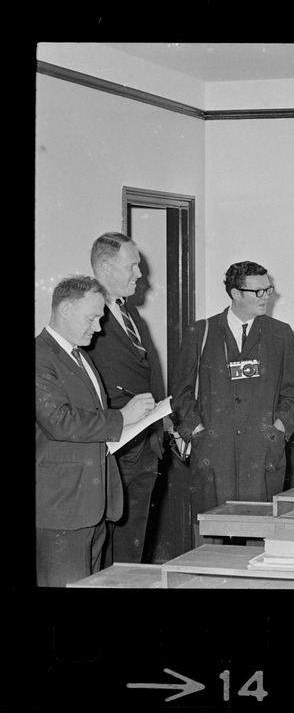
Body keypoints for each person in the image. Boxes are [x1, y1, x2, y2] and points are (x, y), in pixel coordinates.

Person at [36, 275, 156, 586]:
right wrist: (121, 418)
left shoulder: (82, 356)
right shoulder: (39, 356)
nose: (98, 327)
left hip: (94, 504)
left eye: (101, 317)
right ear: (64, 310)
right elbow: (59, 421)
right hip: (62, 509)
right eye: (91, 317)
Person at [171, 261, 294, 527]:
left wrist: (276, 432)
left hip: (262, 456)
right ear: (235, 293)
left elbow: (293, 395)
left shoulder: (281, 334)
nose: (267, 296)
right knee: (211, 541)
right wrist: (197, 432)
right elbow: (180, 394)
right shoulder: (201, 333)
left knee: (262, 540)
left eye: (269, 289)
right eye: (259, 291)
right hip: (213, 456)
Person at [84, 231, 168, 565]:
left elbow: (148, 375)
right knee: (105, 553)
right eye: (131, 266)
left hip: (146, 447)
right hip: (113, 449)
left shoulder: (131, 314)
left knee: (132, 549)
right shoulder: (87, 317)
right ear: (105, 267)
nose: (139, 274)